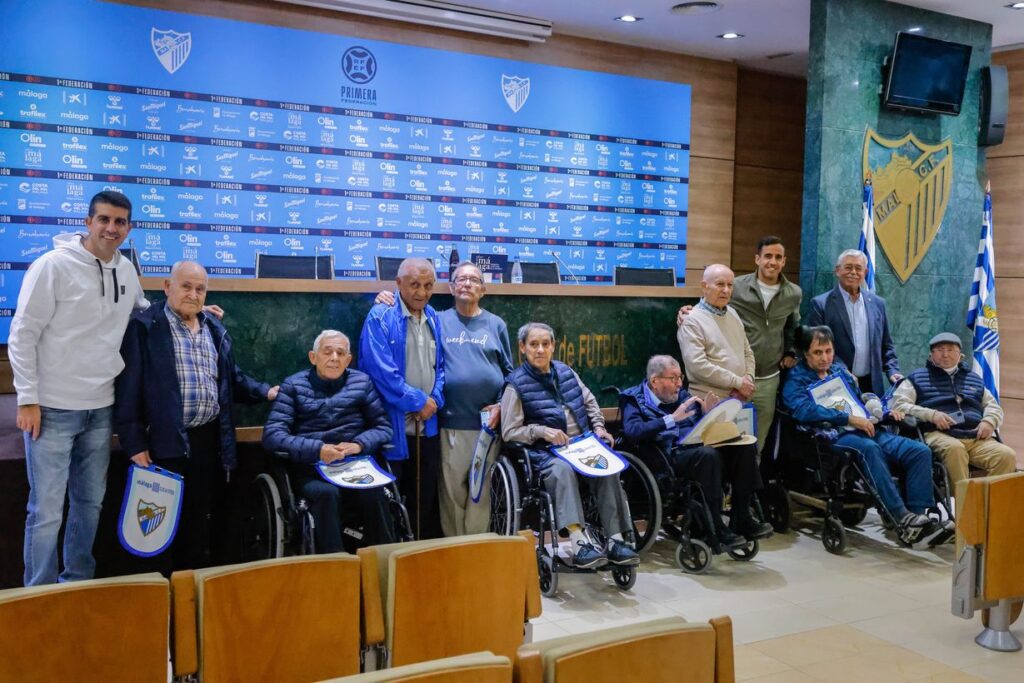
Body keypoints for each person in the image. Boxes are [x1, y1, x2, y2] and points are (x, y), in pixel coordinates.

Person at [10, 190, 149, 585]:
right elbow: (22, 334)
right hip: (51, 409)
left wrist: (191, 307)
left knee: (89, 505)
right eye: (103, 219)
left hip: (101, 408)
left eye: (120, 222)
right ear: (88, 222)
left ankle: (77, 585)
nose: (111, 228)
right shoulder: (52, 266)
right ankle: (37, 593)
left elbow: (143, 312)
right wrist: (29, 398)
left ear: (128, 228)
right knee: (47, 511)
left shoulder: (125, 270)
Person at [115, 261, 277, 573]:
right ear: (167, 287)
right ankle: (164, 602)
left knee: (199, 525)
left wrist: (266, 392)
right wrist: (134, 442)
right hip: (162, 444)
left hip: (208, 442)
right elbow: (128, 390)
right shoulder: (144, 327)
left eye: (199, 289)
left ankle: (194, 597)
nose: (193, 294)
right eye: (186, 286)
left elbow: (232, 379)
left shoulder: (214, 329)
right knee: (158, 533)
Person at [376, 261, 513, 536]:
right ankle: (455, 551)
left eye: (474, 280)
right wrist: (383, 296)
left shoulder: (496, 325)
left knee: (480, 492)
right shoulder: (436, 319)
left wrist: (501, 405)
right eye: (460, 279)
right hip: (450, 422)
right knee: (451, 495)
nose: (467, 284)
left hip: (488, 425)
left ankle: (477, 549)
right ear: (450, 288)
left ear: (483, 290)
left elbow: (510, 374)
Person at [782, 325, 946, 545]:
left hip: (866, 427)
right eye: (817, 353)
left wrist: (885, 412)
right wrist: (847, 419)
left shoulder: (840, 372)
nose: (824, 358)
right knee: (869, 448)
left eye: (828, 351)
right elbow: (803, 410)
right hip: (831, 436)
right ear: (805, 354)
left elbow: (860, 401)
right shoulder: (797, 379)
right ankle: (900, 516)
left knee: (919, 451)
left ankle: (918, 519)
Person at [501, 322, 639, 568]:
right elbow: (510, 431)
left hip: (582, 446)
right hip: (546, 453)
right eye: (534, 344)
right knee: (562, 471)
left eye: (546, 344)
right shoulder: (516, 384)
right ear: (522, 348)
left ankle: (616, 540)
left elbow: (589, 401)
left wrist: (598, 427)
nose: (540, 350)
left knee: (607, 466)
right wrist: (541, 431)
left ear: (553, 346)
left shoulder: (566, 372)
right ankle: (578, 542)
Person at [263, 330, 397, 550]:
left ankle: (383, 561)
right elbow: (272, 436)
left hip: (354, 465)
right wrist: (318, 450)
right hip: (311, 468)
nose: (334, 357)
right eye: (327, 352)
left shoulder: (361, 382)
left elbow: (383, 427)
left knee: (374, 491)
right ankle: (336, 567)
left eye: (340, 353)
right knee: (327, 494)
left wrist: (359, 445)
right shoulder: (293, 386)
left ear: (348, 359)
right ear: (313, 357)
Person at [620, 355, 773, 544]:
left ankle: (742, 516)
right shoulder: (633, 399)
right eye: (673, 378)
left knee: (744, 447)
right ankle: (715, 525)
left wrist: (707, 414)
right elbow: (632, 431)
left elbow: (697, 425)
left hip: (696, 447)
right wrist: (670, 419)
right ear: (655, 381)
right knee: (708, 456)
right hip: (666, 457)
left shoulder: (682, 394)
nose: (678, 383)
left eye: (680, 377)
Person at [359, 257, 445, 539]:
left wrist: (434, 400)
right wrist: (418, 401)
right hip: (392, 428)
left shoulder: (434, 318)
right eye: (415, 285)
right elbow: (382, 374)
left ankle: (418, 562)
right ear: (398, 284)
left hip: (428, 426)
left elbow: (442, 368)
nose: (422, 292)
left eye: (428, 285)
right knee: (391, 506)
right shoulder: (379, 317)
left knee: (424, 502)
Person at [891, 332, 1017, 485]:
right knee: (955, 449)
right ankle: (964, 505)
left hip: (976, 436)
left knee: (1006, 455)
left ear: (960, 354)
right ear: (931, 355)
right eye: (939, 350)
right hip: (939, 434)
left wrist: (990, 421)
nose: (945, 354)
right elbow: (899, 404)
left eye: (950, 350)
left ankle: (992, 505)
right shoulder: (916, 378)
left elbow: (993, 405)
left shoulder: (974, 379)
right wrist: (931, 415)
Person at [808, 249, 900, 396]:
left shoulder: (878, 304)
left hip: (872, 384)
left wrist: (893, 370)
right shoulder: (820, 304)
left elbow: (886, 344)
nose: (853, 272)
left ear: (865, 272)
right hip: (837, 382)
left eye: (858, 268)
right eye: (848, 267)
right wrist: (842, 370)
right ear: (838, 271)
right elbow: (817, 348)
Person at [678, 264, 756, 402]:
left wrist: (747, 380)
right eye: (720, 284)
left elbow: (748, 352)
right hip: (708, 401)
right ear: (704, 286)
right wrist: (738, 382)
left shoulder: (733, 313)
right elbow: (698, 366)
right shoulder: (691, 320)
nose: (726, 290)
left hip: (740, 396)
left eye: (730, 285)